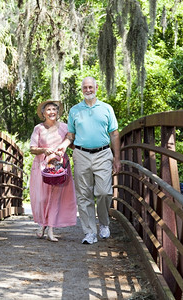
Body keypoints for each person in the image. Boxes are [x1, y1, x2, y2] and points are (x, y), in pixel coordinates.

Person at [57, 77, 121, 244]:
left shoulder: (106, 108)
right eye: (85, 87)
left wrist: (117, 159)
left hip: (103, 153)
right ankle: (89, 232)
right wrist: (63, 146)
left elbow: (114, 134)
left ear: (96, 87)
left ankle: (104, 223)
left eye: (90, 87)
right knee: (84, 196)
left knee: (104, 192)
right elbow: (70, 135)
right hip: (81, 154)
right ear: (82, 89)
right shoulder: (75, 110)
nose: (88, 90)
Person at [29, 100, 77, 242]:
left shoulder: (65, 127)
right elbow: (32, 148)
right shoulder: (38, 128)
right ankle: (42, 224)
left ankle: (50, 229)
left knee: (55, 198)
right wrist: (43, 149)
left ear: (58, 112)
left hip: (59, 167)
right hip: (42, 166)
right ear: (43, 113)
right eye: (48, 109)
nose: (52, 112)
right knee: (42, 198)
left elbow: (73, 144)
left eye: (54, 109)